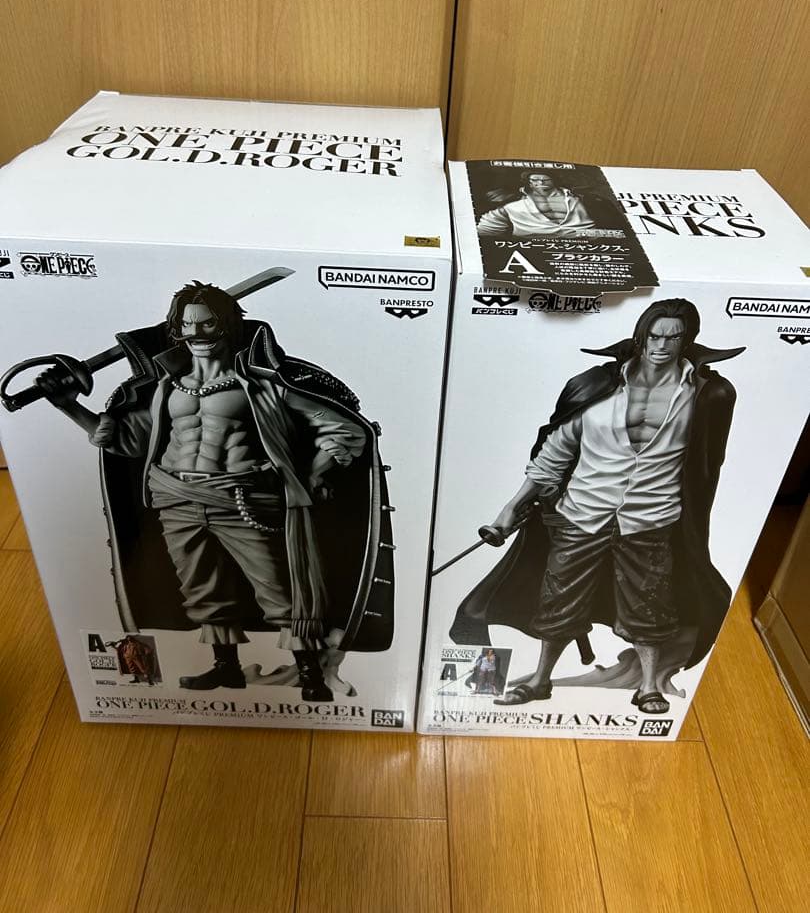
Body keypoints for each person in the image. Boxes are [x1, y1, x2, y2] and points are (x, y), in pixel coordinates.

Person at [36, 281, 387, 701]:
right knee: (202, 589)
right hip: (176, 499)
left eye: (207, 324)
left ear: (228, 327)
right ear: (176, 329)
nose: (196, 334)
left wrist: (311, 475)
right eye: (187, 325)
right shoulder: (167, 389)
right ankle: (227, 667)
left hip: (242, 499)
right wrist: (67, 404)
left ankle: (310, 672)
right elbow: (124, 442)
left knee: (280, 588)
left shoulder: (263, 387)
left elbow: (346, 430)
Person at [450, 298, 740, 715]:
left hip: (651, 517)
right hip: (583, 512)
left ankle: (648, 686)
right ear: (641, 337)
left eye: (673, 338)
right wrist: (511, 509)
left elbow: (707, 463)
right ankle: (540, 680)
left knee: (650, 604)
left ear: (687, 341)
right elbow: (555, 453)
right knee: (558, 599)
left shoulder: (705, 394)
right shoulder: (595, 387)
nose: (662, 346)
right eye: (655, 336)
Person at [477, 170, 596, 238]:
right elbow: (487, 229)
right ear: (529, 183)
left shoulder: (580, 198)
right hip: (529, 245)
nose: (540, 182)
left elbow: (604, 223)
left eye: (545, 180)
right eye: (535, 180)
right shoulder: (513, 202)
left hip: (584, 243)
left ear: (554, 181)